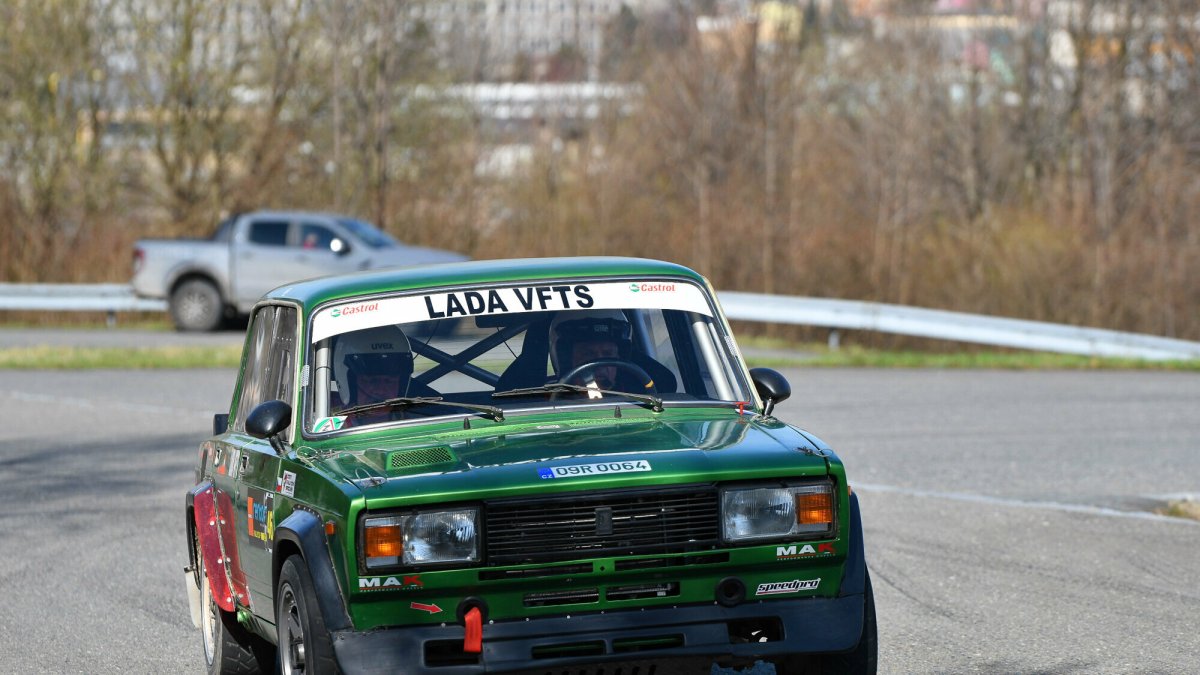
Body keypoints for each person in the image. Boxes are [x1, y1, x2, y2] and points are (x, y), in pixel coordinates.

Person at [332, 325, 419, 423]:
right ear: (349, 383)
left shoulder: (418, 425)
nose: (381, 391)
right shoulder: (327, 427)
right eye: (372, 381)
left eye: (389, 381)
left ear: (401, 384)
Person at [548, 309, 639, 391]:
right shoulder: (548, 405)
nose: (600, 365)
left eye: (608, 354)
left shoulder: (641, 400)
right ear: (566, 359)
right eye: (588, 354)